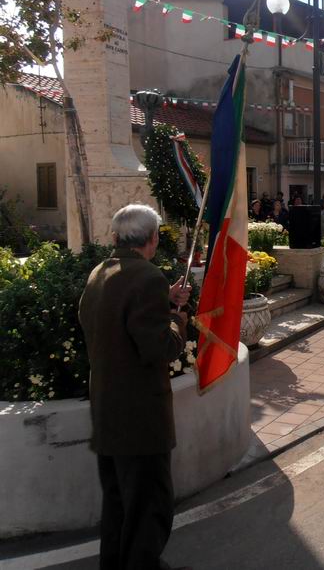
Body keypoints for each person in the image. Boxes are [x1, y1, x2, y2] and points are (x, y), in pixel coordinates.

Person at [78, 204, 191, 570]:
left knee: (118, 505)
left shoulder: (100, 272)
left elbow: (111, 322)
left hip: (107, 412)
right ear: (154, 238)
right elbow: (160, 348)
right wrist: (177, 320)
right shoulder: (147, 277)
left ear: (115, 237)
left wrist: (164, 301)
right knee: (149, 506)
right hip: (140, 418)